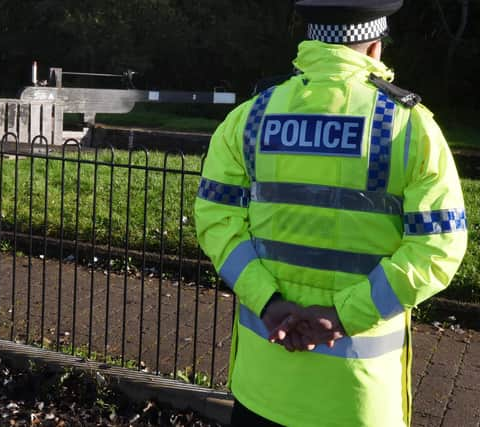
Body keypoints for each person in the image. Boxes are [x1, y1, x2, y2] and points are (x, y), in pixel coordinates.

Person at [194, 1, 468, 426]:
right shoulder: (411, 129)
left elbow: (216, 220)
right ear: (375, 47)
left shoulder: (250, 118)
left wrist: (268, 302)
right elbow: (438, 247)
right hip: (359, 398)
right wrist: (343, 316)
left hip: (262, 388)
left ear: (309, 39)